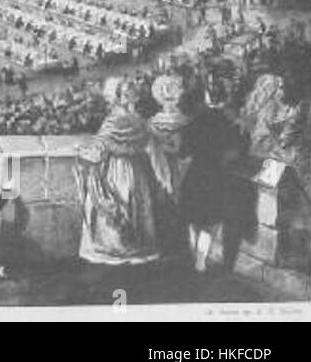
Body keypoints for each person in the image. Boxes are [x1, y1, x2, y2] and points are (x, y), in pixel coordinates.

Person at [75, 77, 161, 266]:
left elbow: (101, 147)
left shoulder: (114, 120)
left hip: (114, 169)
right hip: (135, 170)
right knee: (134, 204)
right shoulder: (139, 121)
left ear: (118, 97)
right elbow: (144, 144)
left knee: (118, 202)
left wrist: (84, 153)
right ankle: (135, 246)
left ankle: (117, 248)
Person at [179, 96, 246, 272]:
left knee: (194, 220)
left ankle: (196, 257)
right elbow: (235, 149)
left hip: (195, 176)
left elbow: (183, 152)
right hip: (215, 177)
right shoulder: (222, 120)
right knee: (209, 222)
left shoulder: (190, 126)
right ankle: (200, 261)